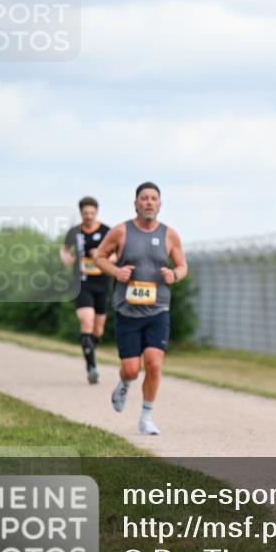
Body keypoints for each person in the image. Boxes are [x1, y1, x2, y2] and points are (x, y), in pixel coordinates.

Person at [93, 182, 187, 435]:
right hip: (128, 311)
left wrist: (174, 275)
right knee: (132, 369)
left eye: (153, 198)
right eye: (144, 198)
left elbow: (182, 266)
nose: (149, 202)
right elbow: (99, 257)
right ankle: (124, 383)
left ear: (160, 204)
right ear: (135, 204)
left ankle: (146, 418)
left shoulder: (170, 235)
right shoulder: (121, 231)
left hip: (158, 310)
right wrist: (116, 272)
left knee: (154, 364)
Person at [60, 196, 114, 384]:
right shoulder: (74, 232)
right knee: (86, 321)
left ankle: (89, 348)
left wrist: (101, 257)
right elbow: (64, 249)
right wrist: (65, 257)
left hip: (102, 284)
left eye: (92, 213)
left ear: (96, 213)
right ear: (81, 213)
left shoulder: (107, 231)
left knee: (98, 330)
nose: (89, 216)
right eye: (85, 213)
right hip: (82, 283)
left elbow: (117, 256)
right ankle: (92, 367)